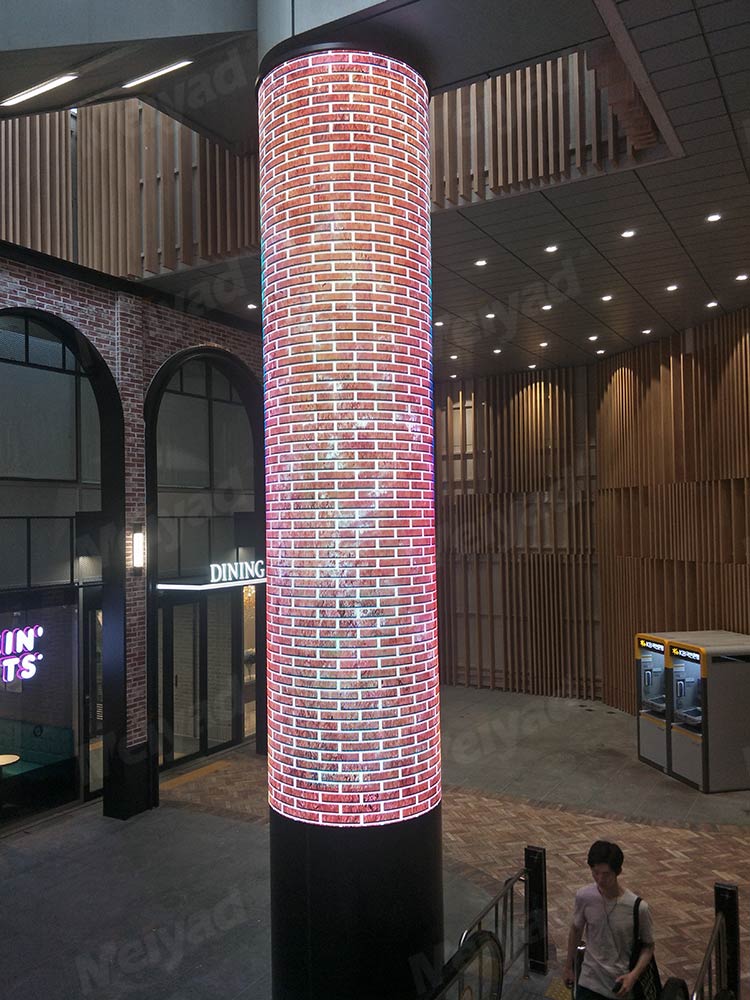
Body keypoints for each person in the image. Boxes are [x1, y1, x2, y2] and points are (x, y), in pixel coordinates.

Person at [564, 840, 655, 1000]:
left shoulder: (638, 908)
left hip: (619, 985)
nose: (599, 879)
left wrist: (633, 976)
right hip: (589, 981)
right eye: (595, 872)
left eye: (606, 874)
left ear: (618, 871)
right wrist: (568, 967)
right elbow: (576, 929)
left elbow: (648, 946)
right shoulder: (585, 897)